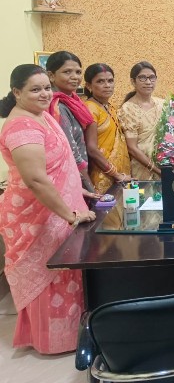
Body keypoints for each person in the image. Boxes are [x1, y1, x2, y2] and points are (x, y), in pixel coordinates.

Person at [0, 65, 96, 354]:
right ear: (17, 92)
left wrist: (76, 189)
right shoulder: (22, 127)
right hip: (37, 215)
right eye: (35, 89)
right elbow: (36, 180)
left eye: (46, 88)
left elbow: (58, 165)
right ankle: (50, 340)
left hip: (58, 207)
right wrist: (70, 216)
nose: (44, 94)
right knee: (48, 274)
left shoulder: (40, 116)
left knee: (67, 273)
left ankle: (72, 334)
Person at [46, 50, 96, 192]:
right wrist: (88, 184)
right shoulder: (58, 107)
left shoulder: (73, 102)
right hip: (71, 176)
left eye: (78, 72)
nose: (75, 77)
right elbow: (71, 150)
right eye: (67, 72)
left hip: (79, 172)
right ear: (51, 75)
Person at [83, 63, 131, 193]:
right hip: (102, 175)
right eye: (100, 81)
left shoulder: (110, 107)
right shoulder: (90, 108)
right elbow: (92, 149)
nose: (107, 85)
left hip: (120, 174)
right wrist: (115, 174)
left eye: (110, 81)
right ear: (89, 86)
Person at [118, 61, 164, 180]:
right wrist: (155, 169)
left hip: (164, 164)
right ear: (133, 81)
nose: (148, 82)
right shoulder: (128, 109)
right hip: (142, 169)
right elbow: (132, 148)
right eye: (142, 78)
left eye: (152, 78)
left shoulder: (162, 105)